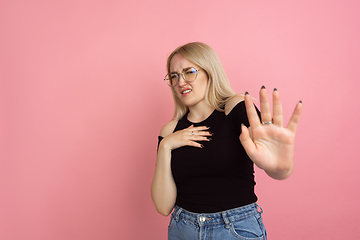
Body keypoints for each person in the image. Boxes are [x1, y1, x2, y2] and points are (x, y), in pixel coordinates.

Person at [151, 42, 302, 240]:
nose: (181, 82)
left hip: (234, 229)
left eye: (189, 72)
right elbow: (163, 207)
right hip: (183, 229)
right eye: (174, 76)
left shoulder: (235, 108)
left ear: (209, 72)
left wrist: (280, 167)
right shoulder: (170, 131)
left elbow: (276, 167)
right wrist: (165, 146)